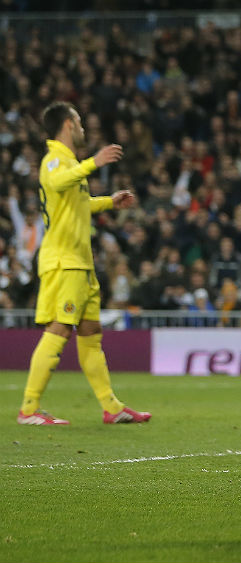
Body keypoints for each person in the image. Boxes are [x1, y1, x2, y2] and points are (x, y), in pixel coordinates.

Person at [17, 102, 150, 426]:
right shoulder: (54, 161)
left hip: (81, 263)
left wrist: (109, 201)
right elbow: (59, 182)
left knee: (91, 332)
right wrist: (94, 162)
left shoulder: (69, 163)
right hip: (64, 263)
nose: (83, 127)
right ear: (67, 124)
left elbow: (77, 202)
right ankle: (30, 409)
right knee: (60, 328)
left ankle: (111, 406)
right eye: (78, 121)